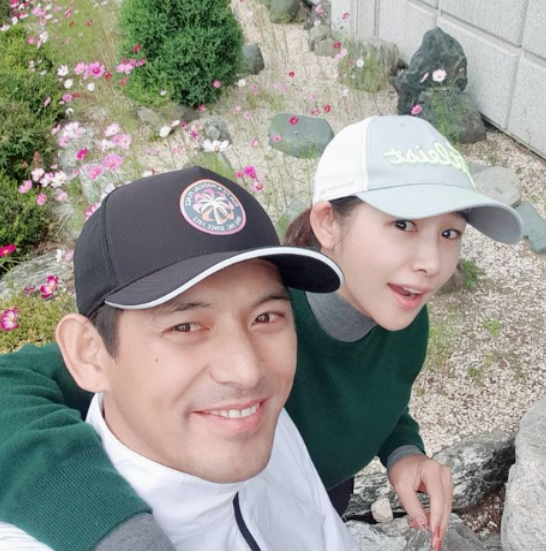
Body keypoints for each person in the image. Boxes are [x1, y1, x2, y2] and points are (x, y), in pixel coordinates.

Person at [0, 117, 522, 551]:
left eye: (449, 232)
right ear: (328, 222)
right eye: (403, 224)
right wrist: (117, 532)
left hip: (309, 493)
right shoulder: (257, 313)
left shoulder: (401, 320)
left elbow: (383, 393)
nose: (431, 262)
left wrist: (403, 450)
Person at [0, 166, 360, 550]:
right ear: (89, 354)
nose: (247, 371)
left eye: (265, 317)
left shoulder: (261, 422)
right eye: (185, 327)